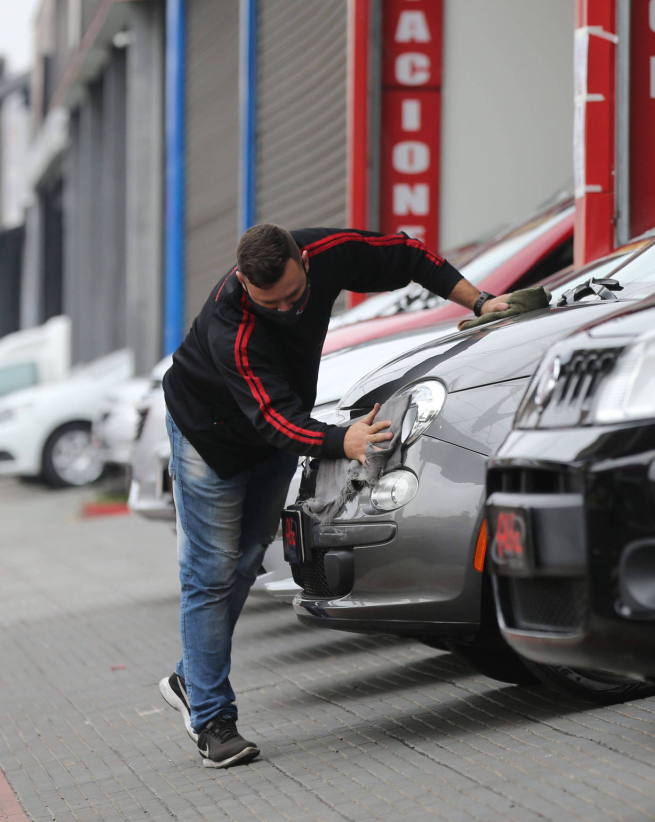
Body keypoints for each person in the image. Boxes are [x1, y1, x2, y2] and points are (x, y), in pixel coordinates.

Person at [157, 223, 510, 768]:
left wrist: (480, 302)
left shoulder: (325, 253)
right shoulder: (235, 329)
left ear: (303, 261)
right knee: (210, 571)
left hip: (279, 421)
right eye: (271, 304)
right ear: (246, 287)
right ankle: (211, 718)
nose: (289, 311)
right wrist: (341, 440)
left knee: (247, 562)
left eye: (296, 296)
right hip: (210, 438)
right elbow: (274, 422)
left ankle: (192, 675)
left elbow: (406, 255)